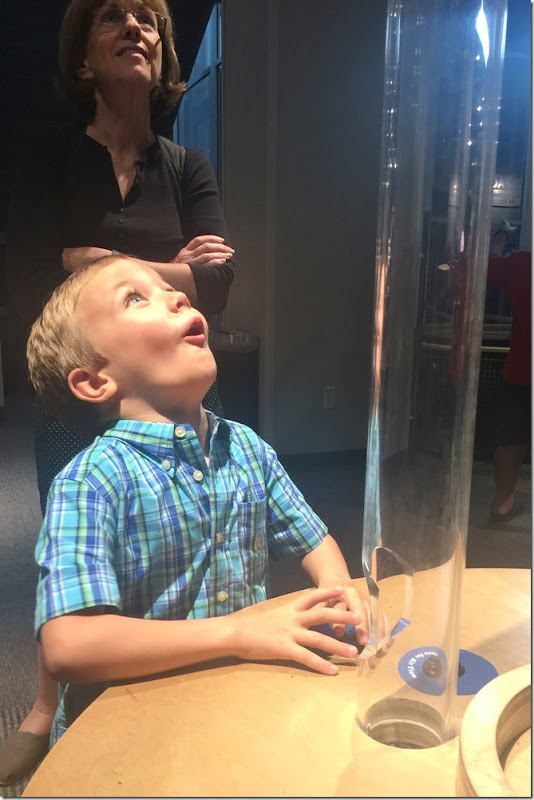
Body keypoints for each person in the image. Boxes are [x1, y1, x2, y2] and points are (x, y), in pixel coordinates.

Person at [2, 0, 234, 783]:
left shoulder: (187, 165)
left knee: (189, 534)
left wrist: (95, 262)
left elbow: (219, 287)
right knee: (74, 547)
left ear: (163, 52)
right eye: (113, 17)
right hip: (80, 392)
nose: (135, 27)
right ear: (82, 56)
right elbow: (31, 283)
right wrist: (177, 268)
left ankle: (181, 678)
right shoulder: (48, 156)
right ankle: (46, 705)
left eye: (148, 19)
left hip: (171, 390)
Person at [25, 255, 369, 747]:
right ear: (96, 381)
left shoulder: (247, 447)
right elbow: (70, 646)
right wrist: (237, 632)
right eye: (135, 298)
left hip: (234, 698)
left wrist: (337, 588)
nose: (177, 295)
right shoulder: (90, 481)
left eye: (168, 287)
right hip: (131, 730)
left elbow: (313, 539)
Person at [486, 246, 531, 522]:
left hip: (521, 372)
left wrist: (496, 241)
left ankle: (502, 505)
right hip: (520, 372)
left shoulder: (522, 263)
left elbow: (477, 266)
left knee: (511, 441)